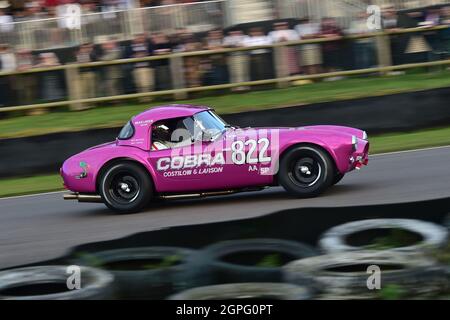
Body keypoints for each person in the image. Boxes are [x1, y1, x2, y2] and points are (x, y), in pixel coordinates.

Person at [125, 33, 155, 101]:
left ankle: (148, 99)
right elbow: (126, 56)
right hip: (136, 68)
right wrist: (134, 56)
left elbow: (153, 53)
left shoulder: (149, 45)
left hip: (148, 67)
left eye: (141, 37)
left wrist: (146, 55)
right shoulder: (129, 46)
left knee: (148, 84)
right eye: (137, 37)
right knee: (139, 84)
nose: (139, 38)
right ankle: (142, 99)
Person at [74, 42, 97, 109]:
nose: (84, 49)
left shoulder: (92, 53)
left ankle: (92, 104)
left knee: (90, 89)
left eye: (86, 47)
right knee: (83, 90)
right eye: (83, 48)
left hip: (90, 73)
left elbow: (94, 59)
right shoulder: (78, 54)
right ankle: (85, 104)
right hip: (81, 74)